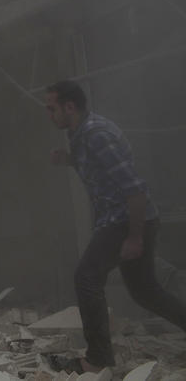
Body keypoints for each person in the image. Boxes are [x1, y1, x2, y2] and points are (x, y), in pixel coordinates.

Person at [44, 80, 186, 374]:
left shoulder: (96, 134)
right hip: (124, 219)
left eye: (52, 108)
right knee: (145, 291)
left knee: (87, 277)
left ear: (70, 106)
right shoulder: (80, 134)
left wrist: (135, 237)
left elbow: (135, 189)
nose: (49, 114)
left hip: (127, 219)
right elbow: (95, 167)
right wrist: (68, 161)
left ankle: (97, 360)